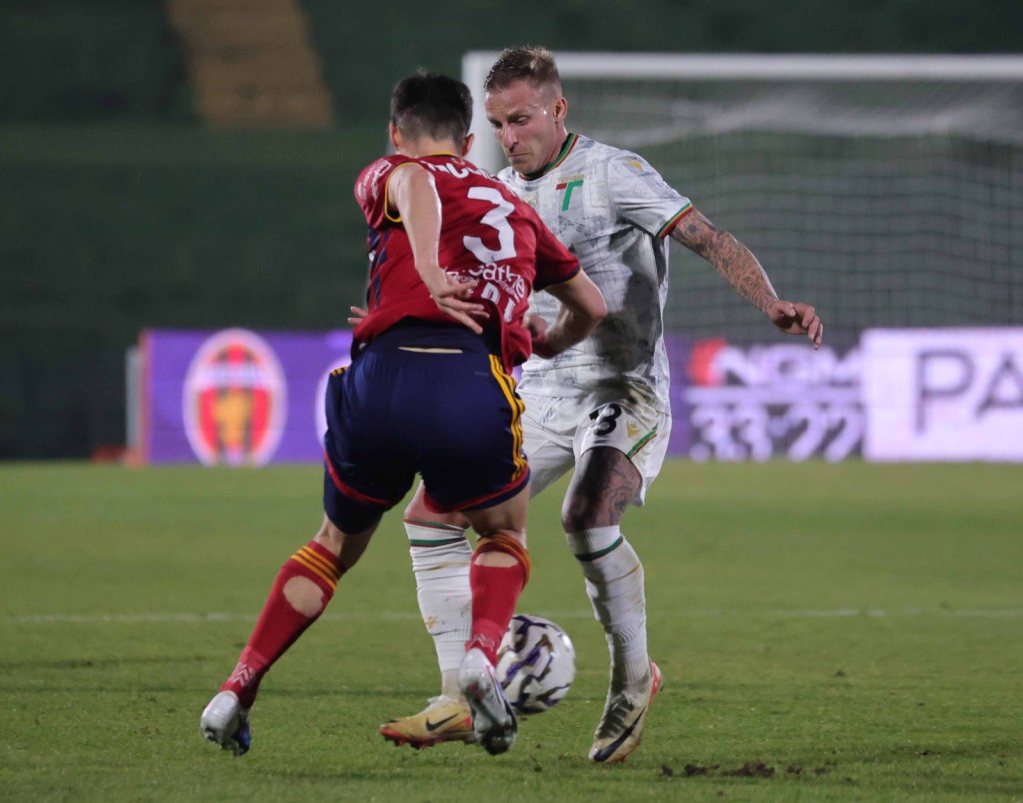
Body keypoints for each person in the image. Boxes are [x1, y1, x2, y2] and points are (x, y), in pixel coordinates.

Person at [379, 47, 824, 764]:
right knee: (432, 515)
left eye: (521, 119)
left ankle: (630, 680)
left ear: (558, 110)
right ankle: (459, 694)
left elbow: (708, 238)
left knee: (586, 517)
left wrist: (769, 301)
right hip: (537, 391)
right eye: (496, 123)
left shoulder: (614, 172)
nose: (510, 135)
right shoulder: (493, 191)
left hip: (624, 388)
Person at [198, 71, 607, 758]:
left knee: (332, 545)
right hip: (471, 384)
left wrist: (425, 273)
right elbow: (591, 307)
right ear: (472, 140)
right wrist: (540, 338)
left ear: (396, 133)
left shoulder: (390, 172)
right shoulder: (517, 209)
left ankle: (237, 686)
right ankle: (481, 657)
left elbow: (413, 183)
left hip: (382, 379)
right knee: (502, 532)